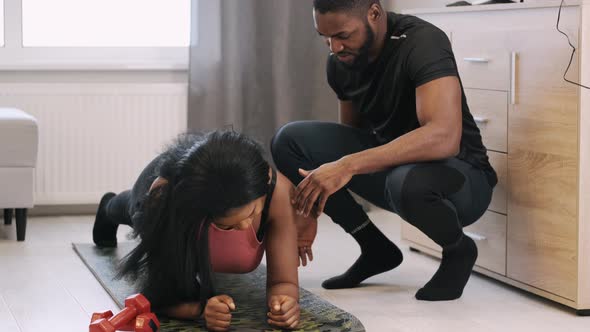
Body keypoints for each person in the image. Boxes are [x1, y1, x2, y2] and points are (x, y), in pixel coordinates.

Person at [271, 0, 497, 302]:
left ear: (374, 13)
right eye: (326, 38)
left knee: (403, 180)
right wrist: (309, 205)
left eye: (342, 35)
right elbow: (352, 137)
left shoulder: (422, 42)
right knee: (289, 141)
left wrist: (346, 165)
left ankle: (459, 249)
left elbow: (444, 137)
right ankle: (375, 248)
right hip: (396, 175)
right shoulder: (341, 62)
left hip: (461, 178)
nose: (334, 47)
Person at [92, 131, 317, 331]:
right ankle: (107, 206)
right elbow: (160, 293)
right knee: (125, 207)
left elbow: (283, 282)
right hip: (157, 192)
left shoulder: (278, 193)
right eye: (227, 224)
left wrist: (286, 303)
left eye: (253, 213)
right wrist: (199, 310)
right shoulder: (164, 200)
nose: (245, 226)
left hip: (209, 175)